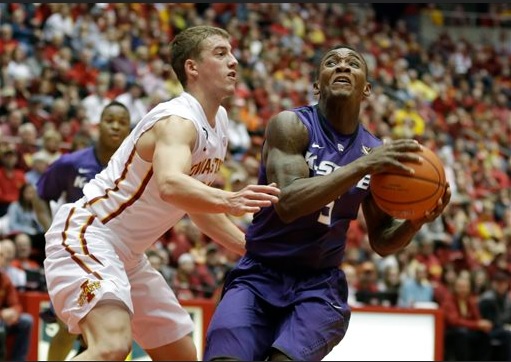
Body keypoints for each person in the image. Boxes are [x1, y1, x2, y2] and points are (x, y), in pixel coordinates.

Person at [43, 25, 280, 361]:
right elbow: (171, 185)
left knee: (181, 354)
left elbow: (196, 206)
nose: (234, 61)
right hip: (90, 232)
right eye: (221, 53)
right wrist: (230, 199)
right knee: (111, 347)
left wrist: (253, 249)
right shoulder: (178, 121)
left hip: (129, 255)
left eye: (232, 52)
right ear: (192, 68)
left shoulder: (220, 122)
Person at [203, 44, 451, 361]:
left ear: (367, 89)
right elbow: (288, 203)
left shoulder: (375, 151)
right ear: (318, 84)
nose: (343, 67)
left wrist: (415, 222)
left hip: (318, 285)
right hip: (260, 273)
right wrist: (361, 166)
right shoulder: (291, 126)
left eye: (353, 64)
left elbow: (382, 241)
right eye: (332, 62)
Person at [36, 100, 131, 360]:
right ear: (97, 125)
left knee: (109, 334)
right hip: (77, 256)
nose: (115, 126)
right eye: (110, 120)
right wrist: (50, 231)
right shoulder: (71, 163)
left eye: (122, 122)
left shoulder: (130, 168)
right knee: (72, 325)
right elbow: (40, 195)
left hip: (116, 257)